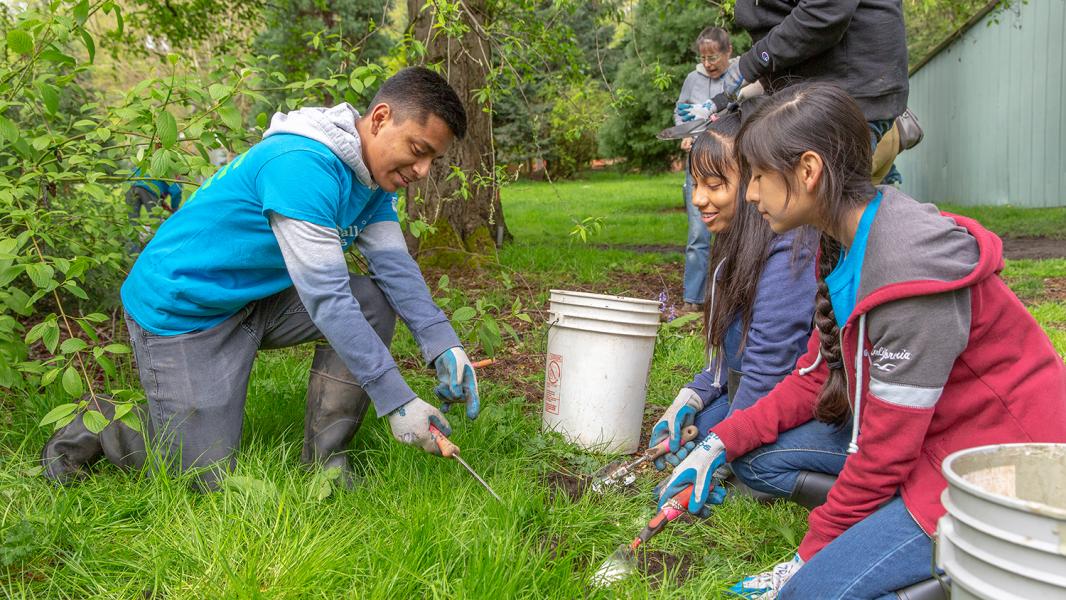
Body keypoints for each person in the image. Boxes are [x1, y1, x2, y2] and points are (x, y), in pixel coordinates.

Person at [657, 83, 1066, 599]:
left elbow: (883, 456)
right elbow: (810, 379)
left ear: (807, 171)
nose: (752, 192)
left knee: (805, 594)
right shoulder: (844, 238)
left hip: (994, 469)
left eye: (758, 175)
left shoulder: (905, 276)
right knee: (755, 459)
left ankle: (949, 577)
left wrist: (808, 555)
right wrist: (718, 442)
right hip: (924, 440)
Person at [41, 67, 483, 491]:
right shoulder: (301, 165)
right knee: (200, 476)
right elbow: (327, 298)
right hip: (186, 309)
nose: (423, 171)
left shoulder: (372, 184)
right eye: (419, 149)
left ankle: (326, 465)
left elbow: (396, 271)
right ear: (382, 118)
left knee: (373, 300)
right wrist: (397, 399)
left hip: (259, 297)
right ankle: (101, 423)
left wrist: (443, 344)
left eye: (434, 159)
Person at [648, 110, 817, 493]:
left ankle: (814, 478)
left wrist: (720, 449)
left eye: (714, 185)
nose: (699, 199)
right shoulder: (731, 246)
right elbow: (730, 366)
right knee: (687, 438)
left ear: (754, 181)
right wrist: (692, 395)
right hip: (754, 395)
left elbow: (767, 376)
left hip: (794, 402)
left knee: (746, 464)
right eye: (695, 184)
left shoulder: (791, 248)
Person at [730, 0, 908, 185]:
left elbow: (824, 13)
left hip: (846, 97)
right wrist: (764, 80)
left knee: (832, 202)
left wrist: (751, 64)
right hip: (820, 93)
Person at [674, 26, 743, 313]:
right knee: (698, 234)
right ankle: (694, 300)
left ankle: (733, 298)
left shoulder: (741, 72)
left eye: (713, 57)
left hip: (733, 164)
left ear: (728, 51)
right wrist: (686, 133)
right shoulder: (692, 79)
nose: (708, 64)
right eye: (703, 58)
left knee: (737, 232)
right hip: (699, 164)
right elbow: (681, 112)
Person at [126, 172, 183, 250]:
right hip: (148, 186)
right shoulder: (173, 172)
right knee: (156, 221)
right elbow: (176, 191)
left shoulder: (158, 165)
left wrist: (162, 202)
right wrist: (175, 208)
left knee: (132, 223)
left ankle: (134, 252)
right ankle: (159, 249)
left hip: (130, 184)